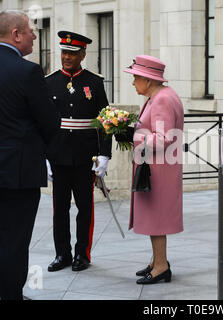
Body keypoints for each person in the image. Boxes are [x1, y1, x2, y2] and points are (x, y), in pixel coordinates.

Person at [0, 10, 60, 300]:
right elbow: (50, 121)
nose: (35, 35)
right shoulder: (27, 71)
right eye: (31, 30)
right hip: (18, 172)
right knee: (14, 239)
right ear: (16, 35)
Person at [46, 31, 112, 272]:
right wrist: (45, 156)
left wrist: (105, 154)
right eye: (64, 52)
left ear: (83, 54)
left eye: (72, 54)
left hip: (86, 156)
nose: (67, 57)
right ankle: (61, 254)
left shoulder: (94, 83)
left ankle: (82, 254)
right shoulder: (50, 81)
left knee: (85, 207)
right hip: (59, 155)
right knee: (60, 209)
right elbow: (43, 122)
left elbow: (106, 120)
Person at [120, 55, 184, 284]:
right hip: (158, 168)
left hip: (159, 170)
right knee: (155, 219)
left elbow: (163, 138)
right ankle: (157, 260)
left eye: (136, 77)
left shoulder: (162, 100)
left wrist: (133, 135)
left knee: (157, 220)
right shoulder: (158, 96)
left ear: (148, 79)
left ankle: (160, 266)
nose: (133, 81)